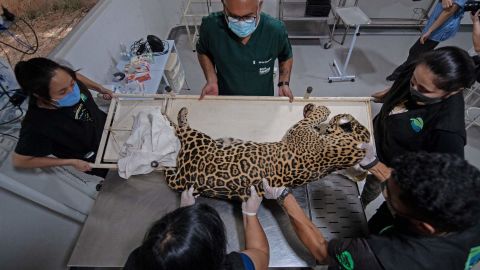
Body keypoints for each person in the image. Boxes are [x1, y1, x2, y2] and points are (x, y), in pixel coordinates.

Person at [263, 152, 480, 270]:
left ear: (424, 226)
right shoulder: (469, 202)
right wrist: (375, 164)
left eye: (389, 196)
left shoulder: (381, 257)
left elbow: (321, 251)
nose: (384, 190)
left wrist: (284, 196)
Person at [361, 47, 476, 226]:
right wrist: (390, 94)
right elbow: (403, 84)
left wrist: (378, 168)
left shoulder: (447, 132)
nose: (414, 88)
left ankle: (361, 204)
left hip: (388, 164)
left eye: (423, 89)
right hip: (376, 134)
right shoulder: (421, 71)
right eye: (412, 81)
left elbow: (429, 188)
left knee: (369, 188)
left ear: (453, 91)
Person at [12, 57, 113, 178]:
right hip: (101, 158)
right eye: (62, 92)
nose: (72, 91)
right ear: (40, 95)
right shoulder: (37, 125)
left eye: (72, 83)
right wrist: (70, 162)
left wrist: (100, 88)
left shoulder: (66, 80)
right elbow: (20, 160)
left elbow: (76, 76)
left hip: (110, 128)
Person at [124, 186, 269, 270]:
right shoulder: (235, 267)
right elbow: (261, 253)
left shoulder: (137, 261)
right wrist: (250, 214)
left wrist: (183, 216)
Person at [196, 0, 294, 102]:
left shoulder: (275, 31)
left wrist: (284, 83)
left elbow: (286, 56)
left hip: (262, 99)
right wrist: (211, 79)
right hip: (225, 98)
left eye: (248, 17)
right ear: (224, 6)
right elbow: (203, 51)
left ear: (259, 6)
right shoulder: (211, 27)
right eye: (233, 16)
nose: (241, 23)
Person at [386, 0, 467, 81]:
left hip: (440, 26)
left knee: (416, 52)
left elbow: (449, 12)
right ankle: (405, 75)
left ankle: (402, 76)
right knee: (418, 52)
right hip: (436, 22)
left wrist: (430, 31)